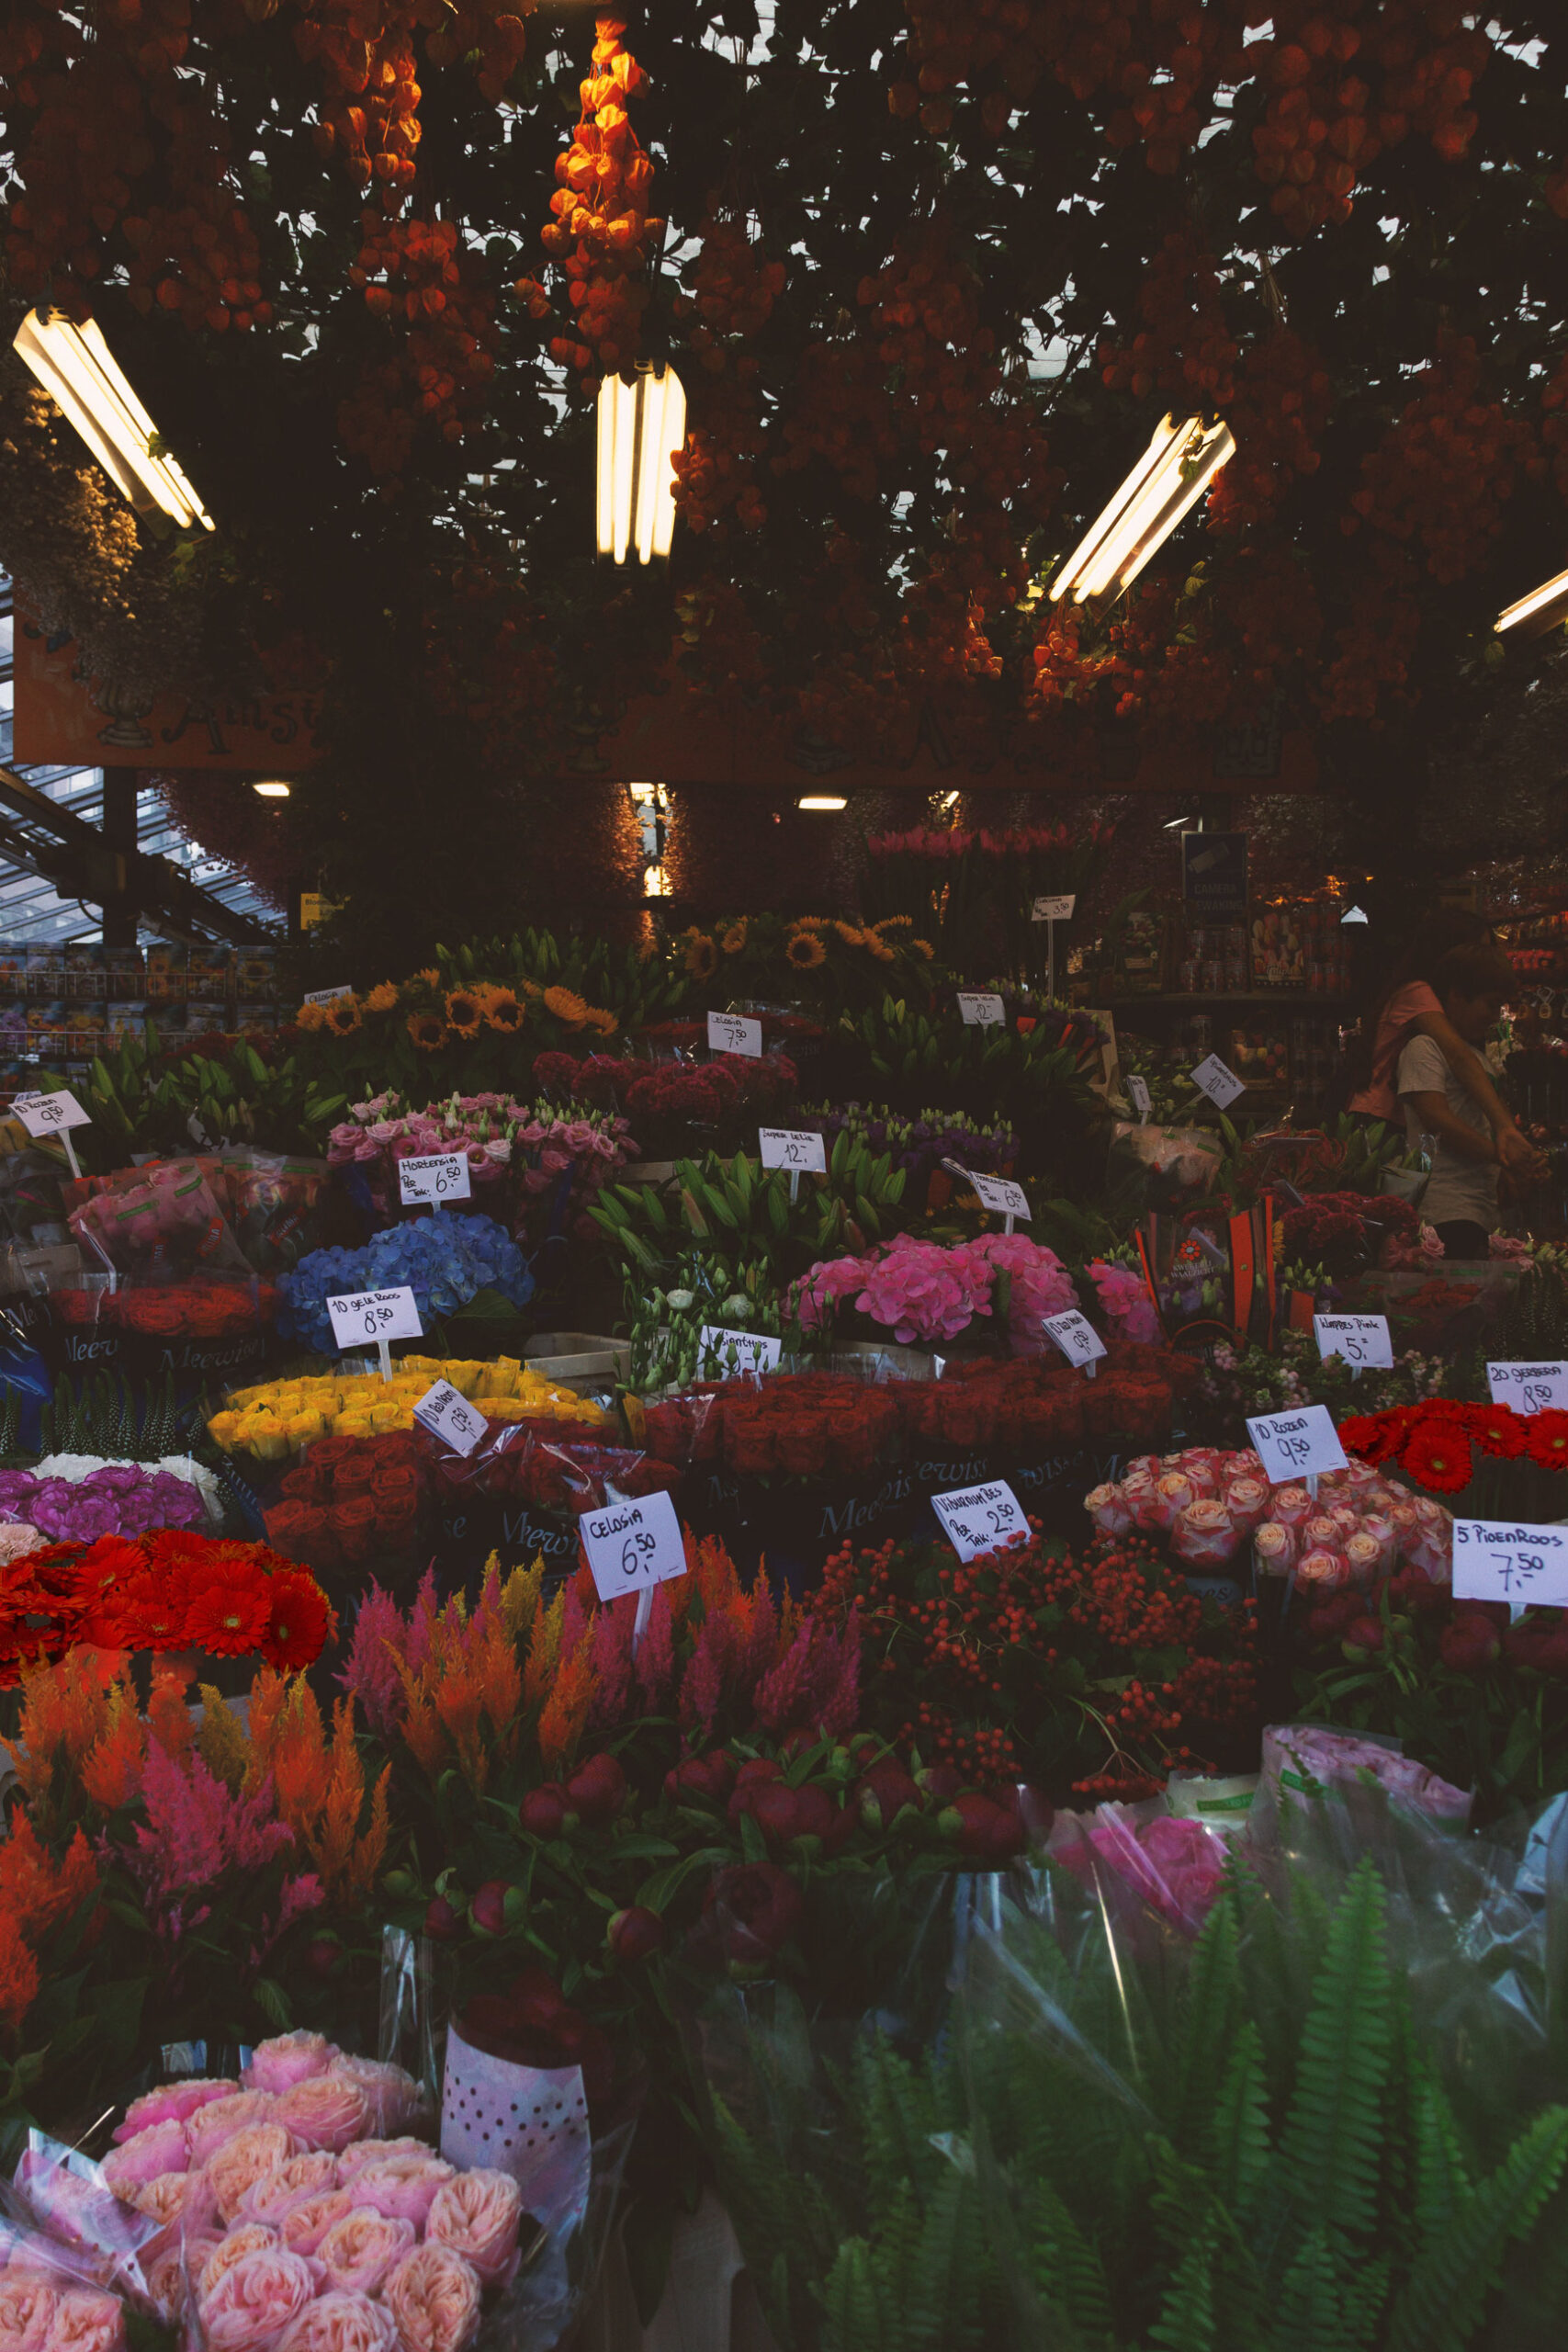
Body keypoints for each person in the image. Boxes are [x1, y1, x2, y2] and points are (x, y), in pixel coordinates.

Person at [1348, 909, 1542, 1178]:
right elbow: (1458, 1057)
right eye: (1477, 948)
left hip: (1390, 1121)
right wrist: (1503, 1129)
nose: (1486, 959)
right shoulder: (1417, 992)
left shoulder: (1431, 997)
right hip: (1378, 1122)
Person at [1394, 938, 1518, 1258]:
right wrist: (1503, 1155)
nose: (1495, 1015)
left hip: (1479, 1211)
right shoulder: (1424, 1048)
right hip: (1445, 1210)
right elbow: (1437, 1119)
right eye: (1490, 1004)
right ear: (1457, 996)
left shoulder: (1476, 1058)